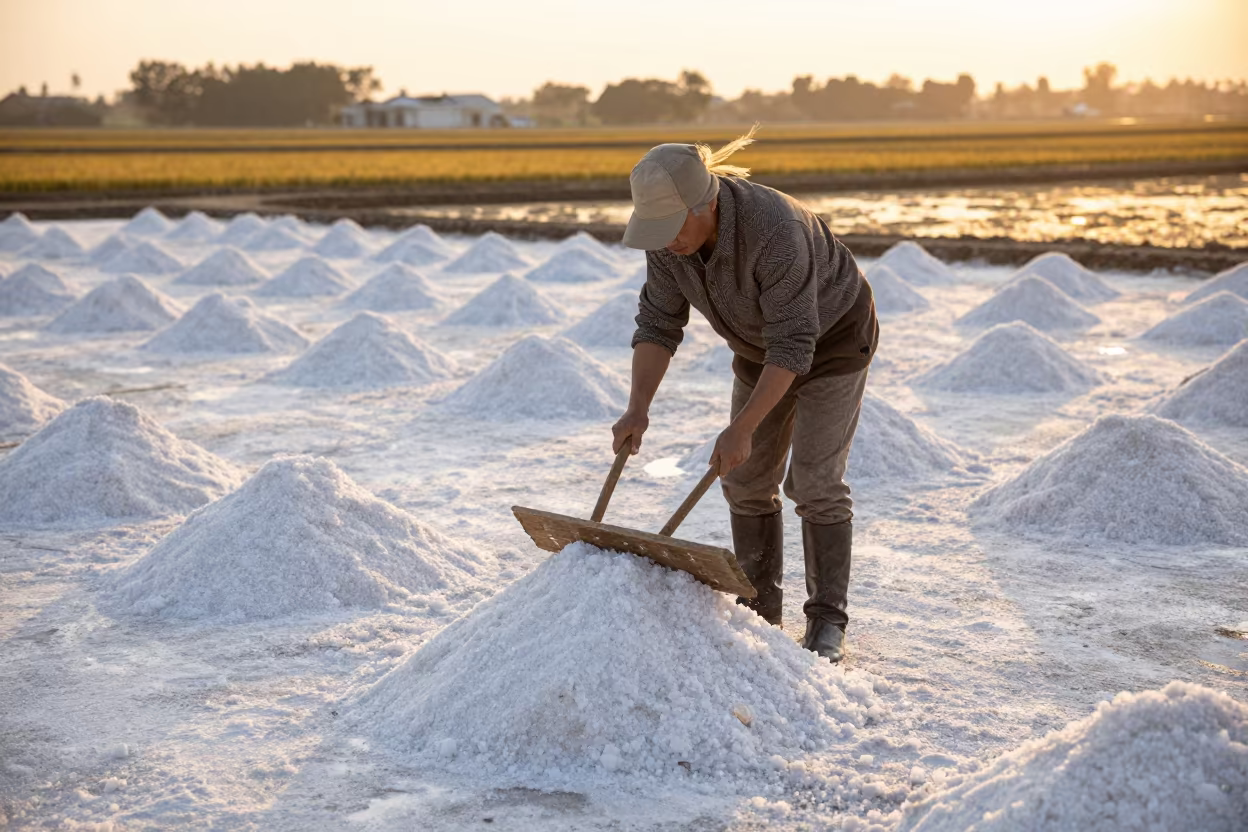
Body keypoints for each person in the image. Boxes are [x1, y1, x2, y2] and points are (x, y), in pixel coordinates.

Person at [611, 128, 878, 663]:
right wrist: (638, 408)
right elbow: (659, 323)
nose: (666, 241)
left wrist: (744, 427)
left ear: (705, 202)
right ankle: (760, 609)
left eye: (672, 227)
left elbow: (795, 343)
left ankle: (827, 621)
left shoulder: (775, 230)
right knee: (746, 479)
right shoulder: (671, 243)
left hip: (831, 344)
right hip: (760, 347)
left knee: (816, 481)